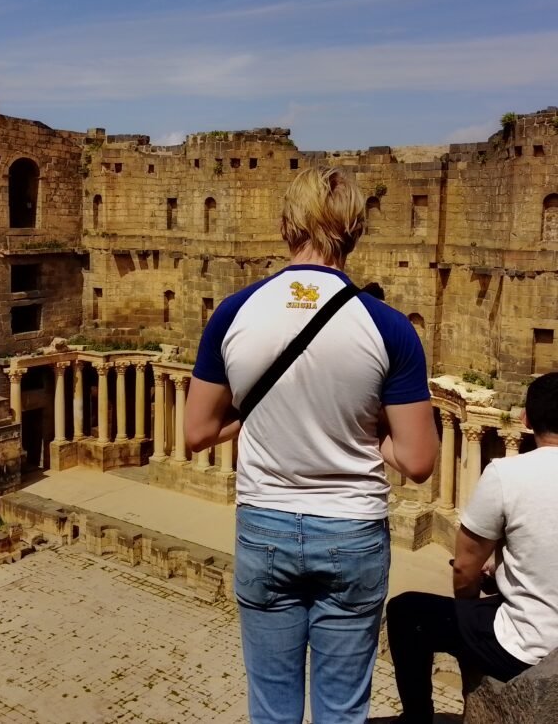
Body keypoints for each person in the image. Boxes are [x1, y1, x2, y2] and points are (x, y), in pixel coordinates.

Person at [184, 166, 439, 724]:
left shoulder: (233, 313)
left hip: (266, 525)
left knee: (271, 710)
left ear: (284, 225)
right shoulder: (390, 327)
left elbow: (198, 433)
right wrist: (367, 438)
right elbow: (418, 462)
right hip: (352, 531)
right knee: (342, 711)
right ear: (355, 232)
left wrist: (252, 416)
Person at [386, 372, 558, 724]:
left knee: (407, 612)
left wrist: (467, 605)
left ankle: (417, 718)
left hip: (530, 645)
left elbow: (465, 567)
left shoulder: (507, 474)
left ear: (524, 419)